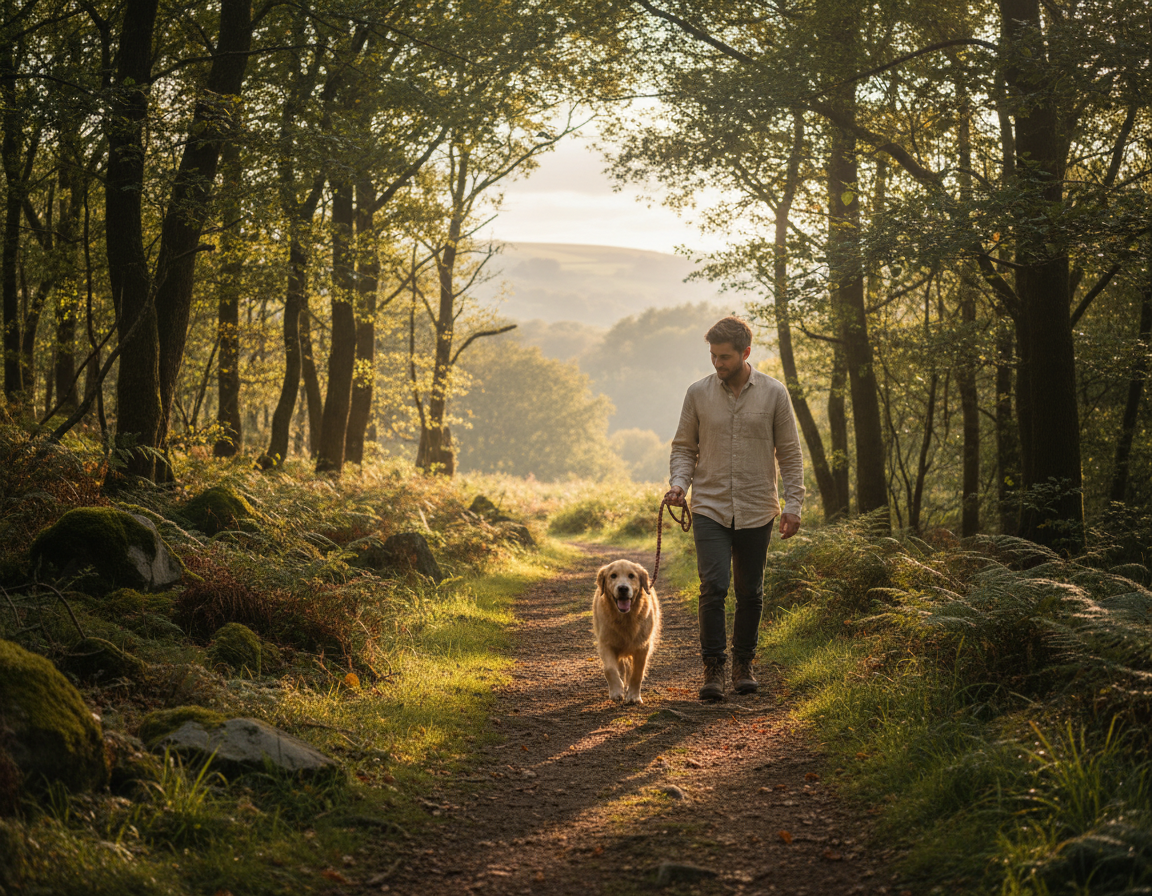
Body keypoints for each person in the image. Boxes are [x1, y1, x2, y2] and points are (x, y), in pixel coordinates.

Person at [665, 316, 805, 700]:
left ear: (745, 353)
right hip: (709, 505)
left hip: (757, 506)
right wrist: (679, 484)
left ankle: (744, 664)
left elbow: (790, 454)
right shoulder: (697, 393)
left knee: (750, 591)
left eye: (724, 356)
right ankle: (713, 667)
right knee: (713, 587)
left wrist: (793, 504)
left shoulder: (774, 394)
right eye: (712, 355)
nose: (717, 363)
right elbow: (684, 448)